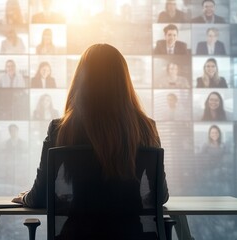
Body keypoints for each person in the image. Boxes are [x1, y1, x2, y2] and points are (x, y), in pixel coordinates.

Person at [12, 44, 169, 238]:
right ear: (123, 82)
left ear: (81, 80)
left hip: (76, 234)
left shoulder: (60, 129)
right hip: (131, 234)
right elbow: (160, 196)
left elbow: (40, 198)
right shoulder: (146, 128)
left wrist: (25, 198)